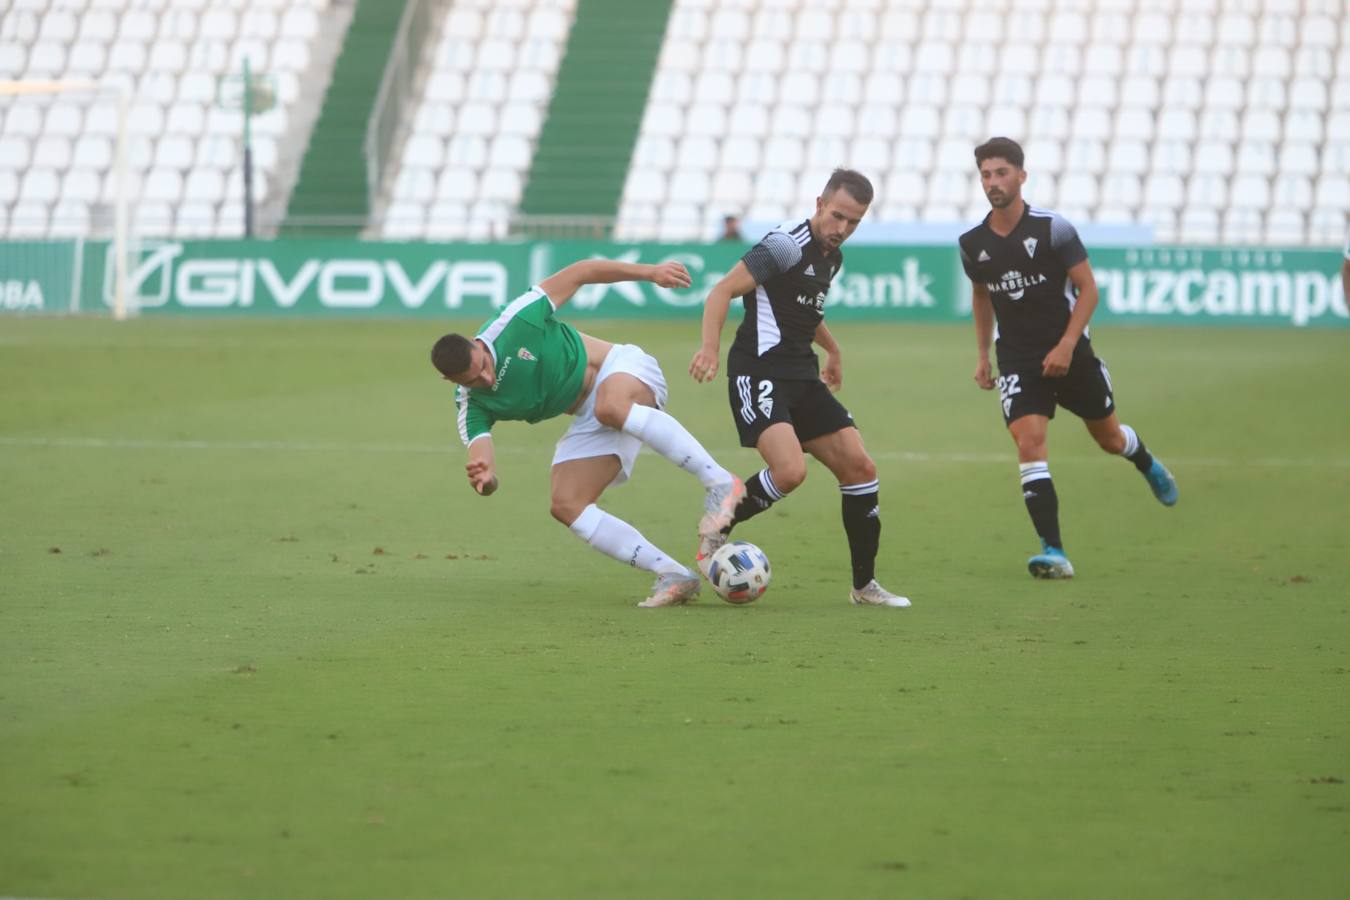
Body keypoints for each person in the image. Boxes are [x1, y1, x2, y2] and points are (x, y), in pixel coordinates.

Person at [431, 258, 745, 608]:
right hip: (592, 416)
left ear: (478, 346)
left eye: (484, 367)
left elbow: (582, 272)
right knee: (566, 504)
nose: (485, 380)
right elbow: (481, 460)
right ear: (451, 381)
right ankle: (672, 574)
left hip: (624, 369)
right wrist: (487, 479)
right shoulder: (470, 404)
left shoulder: (513, 321)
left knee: (609, 406)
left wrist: (649, 272)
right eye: (472, 380)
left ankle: (719, 482)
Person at [958, 137, 1178, 579]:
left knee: (1110, 439)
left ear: (1021, 175)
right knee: (1030, 444)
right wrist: (983, 355)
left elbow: (1088, 289)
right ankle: (1053, 551)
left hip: (1071, 354)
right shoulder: (972, 242)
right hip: (1017, 359)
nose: (993, 182)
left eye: (1001, 173)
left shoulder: (1054, 229)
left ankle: (1145, 461)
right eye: (985, 174)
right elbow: (982, 296)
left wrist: (1066, 345)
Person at [689, 168, 910, 608]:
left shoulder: (832, 256)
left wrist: (833, 349)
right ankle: (719, 521)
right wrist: (709, 350)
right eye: (837, 216)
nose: (842, 229)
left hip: (801, 375)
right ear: (819, 204)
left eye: (853, 222)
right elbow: (721, 291)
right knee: (791, 472)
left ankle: (864, 587)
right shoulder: (784, 245)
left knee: (861, 469)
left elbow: (805, 310)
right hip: (759, 372)